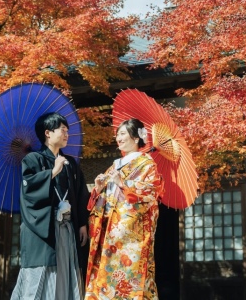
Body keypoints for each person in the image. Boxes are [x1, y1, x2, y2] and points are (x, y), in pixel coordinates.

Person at [11, 112, 89, 300]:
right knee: (41, 276)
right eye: (63, 130)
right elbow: (28, 191)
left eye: (67, 131)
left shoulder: (70, 163)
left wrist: (82, 223)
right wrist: (52, 172)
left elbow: (80, 194)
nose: (66, 134)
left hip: (67, 228)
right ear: (48, 133)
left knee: (66, 272)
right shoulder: (33, 160)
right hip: (44, 229)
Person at [85, 119, 164, 300]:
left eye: (122, 133)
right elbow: (101, 201)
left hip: (130, 236)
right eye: (117, 134)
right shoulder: (115, 165)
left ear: (136, 137)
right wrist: (98, 189)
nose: (118, 137)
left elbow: (151, 193)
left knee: (131, 280)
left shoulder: (146, 164)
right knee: (105, 279)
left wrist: (123, 183)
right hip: (110, 233)